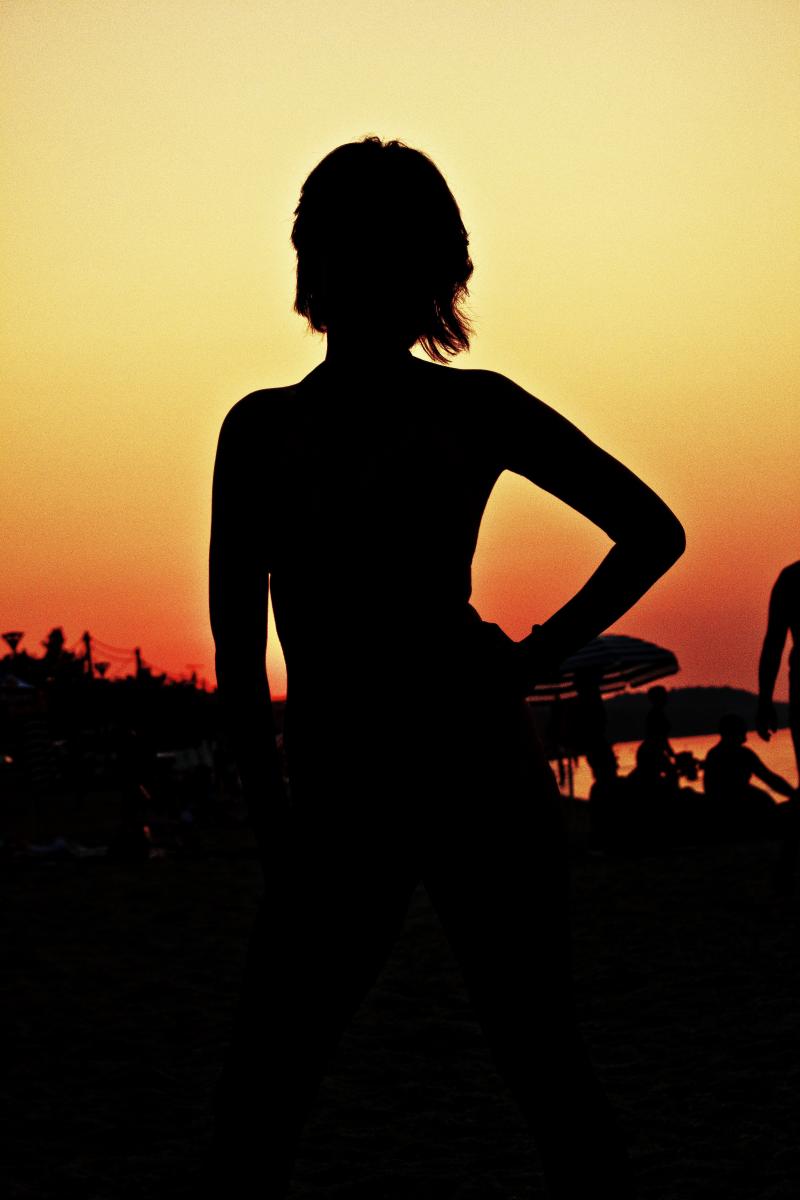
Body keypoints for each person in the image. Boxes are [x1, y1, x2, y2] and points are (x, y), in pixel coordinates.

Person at [207, 136, 685, 1199]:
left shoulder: (289, 428)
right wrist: (526, 662)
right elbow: (652, 532)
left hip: (408, 773)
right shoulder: (426, 415)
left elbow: (240, 650)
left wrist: (524, 663)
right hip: (424, 767)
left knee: (285, 1090)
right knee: (527, 1064)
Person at [703, 713, 795, 839]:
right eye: (742, 733)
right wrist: (794, 795)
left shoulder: (713, 754)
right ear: (732, 733)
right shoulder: (741, 754)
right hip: (742, 812)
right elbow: (769, 778)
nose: (745, 738)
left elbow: (770, 778)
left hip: (728, 809)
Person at [757, 560, 800, 781]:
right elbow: (773, 645)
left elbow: (773, 644)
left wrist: (765, 701)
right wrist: (764, 702)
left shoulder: (791, 578)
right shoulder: (790, 578)